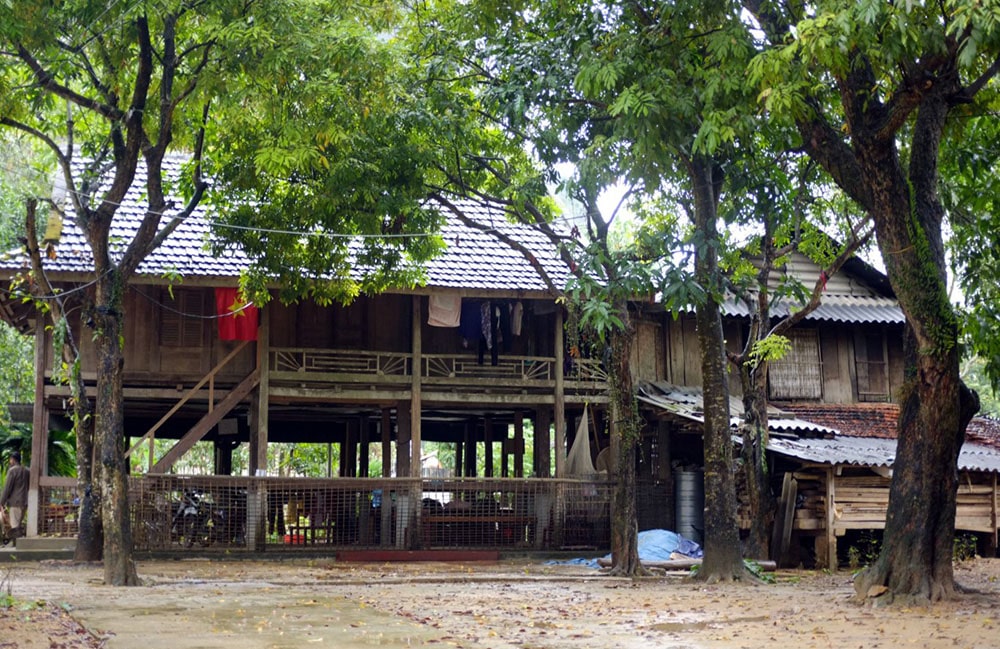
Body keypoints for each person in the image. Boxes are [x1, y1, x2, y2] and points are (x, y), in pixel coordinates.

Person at [1, 451, 29, 544]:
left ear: (12, 460)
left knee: (15, 527)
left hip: (15, 502)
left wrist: (1, 502)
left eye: (10, 460)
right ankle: (17, 544)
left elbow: (7, 488)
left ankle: (17, 546)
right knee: (18, 525)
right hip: (25, 502)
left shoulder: (12, 471)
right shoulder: (26, 471)